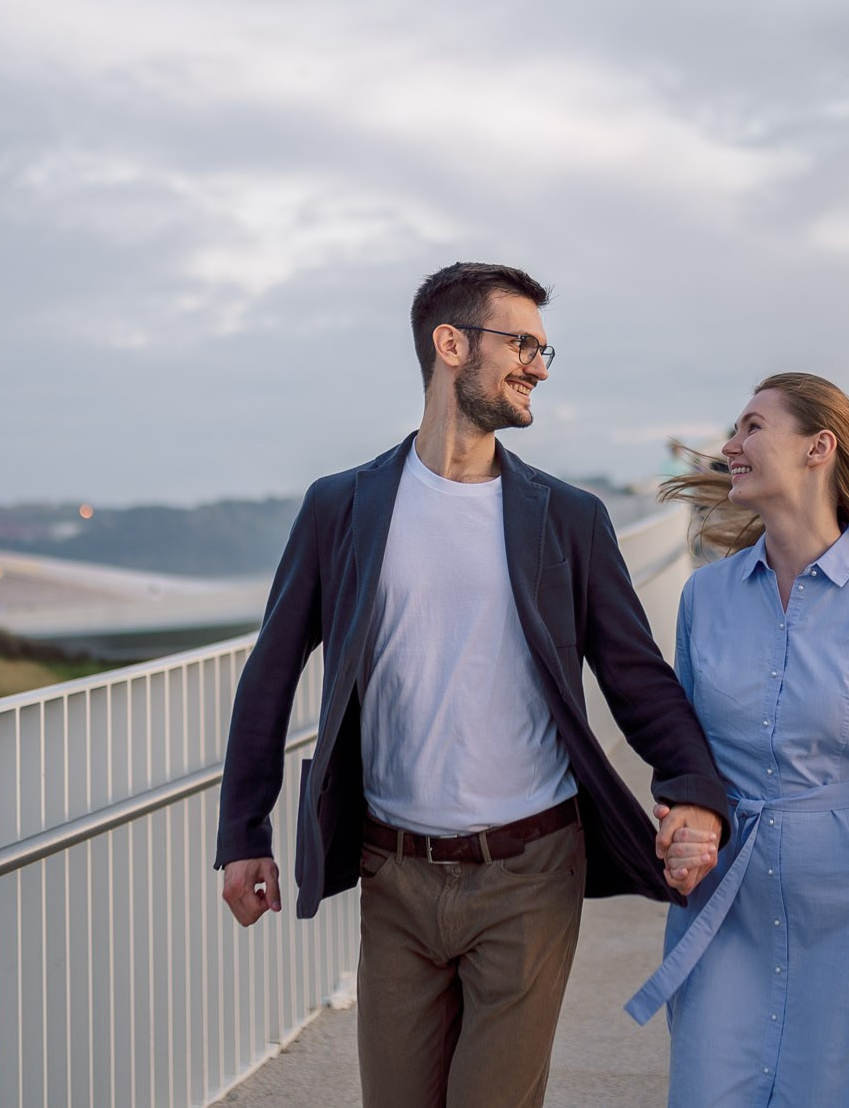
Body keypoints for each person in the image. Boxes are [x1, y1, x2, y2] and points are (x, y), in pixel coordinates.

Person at [215, 262, 731, 1108]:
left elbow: (637, 677)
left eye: (543, 345)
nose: (539, 364)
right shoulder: (340, 507)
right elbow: (271, 672)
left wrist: (695, 792)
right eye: (520, 342)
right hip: (394, 873)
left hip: (530, 872)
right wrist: (244, 832)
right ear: (450, 345)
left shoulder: (568, 518)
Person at [625, 372, 849, 1108]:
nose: (730, 445)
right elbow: (686, 762)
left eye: (753, 426)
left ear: (817, 447)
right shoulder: (704, 597)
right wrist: (682, 820)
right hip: (725, 910)